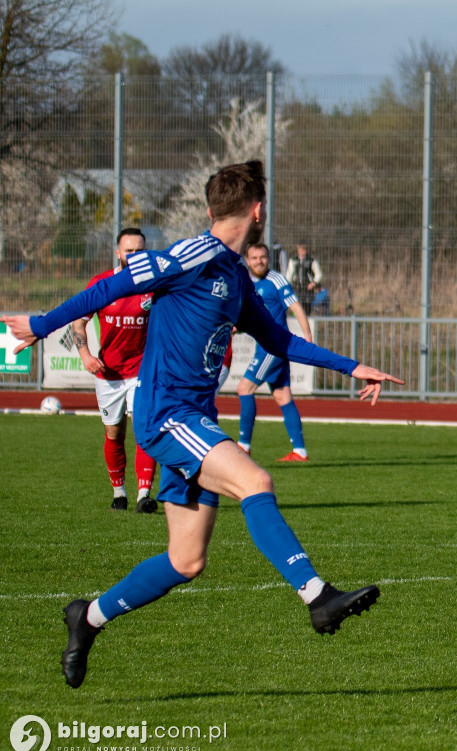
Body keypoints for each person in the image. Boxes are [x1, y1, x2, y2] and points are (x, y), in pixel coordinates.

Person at [2, 160, 404, 689]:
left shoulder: (236, 275)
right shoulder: (191, 255)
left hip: (194, 418)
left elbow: (279, 341)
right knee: (256, 481)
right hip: (168, 414)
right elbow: (110, 288)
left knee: (186, 560)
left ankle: (88, 618)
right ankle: (317, 596)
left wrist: (351, 366)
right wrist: (40, 324)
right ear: (258, 211)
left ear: (218, 206)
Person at [71, 228, 158, 514]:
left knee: (143, 431)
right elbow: (78, 323)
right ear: (118, 253)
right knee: (113, 433)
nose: (134, 255)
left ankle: (143, 495)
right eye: (128, 251)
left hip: (142, 371)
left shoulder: (154, 285)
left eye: (139, 251)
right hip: (109, 373)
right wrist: (85, 355)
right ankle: (119, 493)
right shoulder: (101, 284)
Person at [237, 241, 313, 461]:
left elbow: (296, 306)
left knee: (244, 388)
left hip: (273, 346)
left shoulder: (276, 280)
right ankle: (300, 451)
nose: (259, 261)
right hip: (266, 346)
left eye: (263, 257)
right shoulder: (246, 282)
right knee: (282, 396)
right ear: (247, 260)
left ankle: (243, 445)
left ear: (268, 258)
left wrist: (307, 336)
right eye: (255, 258)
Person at [285, 242, 322, 316]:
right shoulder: (293, 260)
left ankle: (306, 322)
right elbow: (289, 274)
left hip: (307, 288)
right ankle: (296, 322)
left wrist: (313, 283)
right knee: (296, 306)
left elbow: (319, 274)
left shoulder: (312, 261)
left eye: (303, 250)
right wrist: (288, 285)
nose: (301, 252)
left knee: (307, 308)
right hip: (296, 287)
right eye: (299, 250)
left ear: (307, 250)